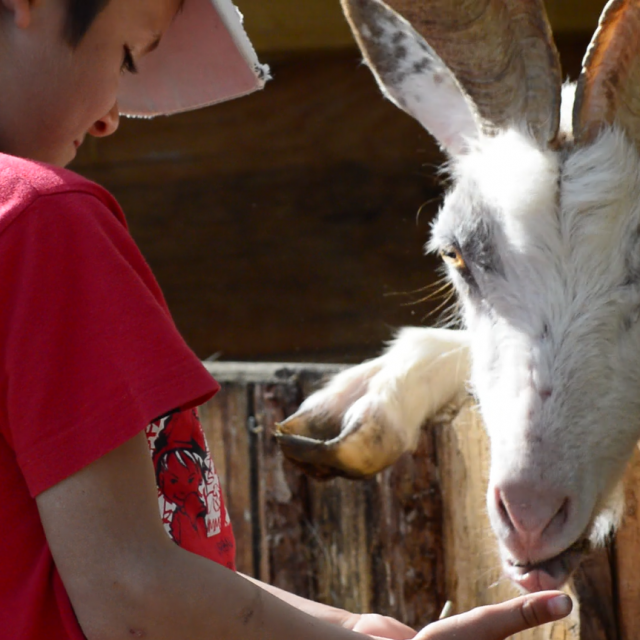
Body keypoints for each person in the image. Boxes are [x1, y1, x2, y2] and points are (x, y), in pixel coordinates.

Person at [0, 0, 574, 639]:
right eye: (127, 54)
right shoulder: (39, 221)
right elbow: (129, 597)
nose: (111, 118)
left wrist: (346, 626)